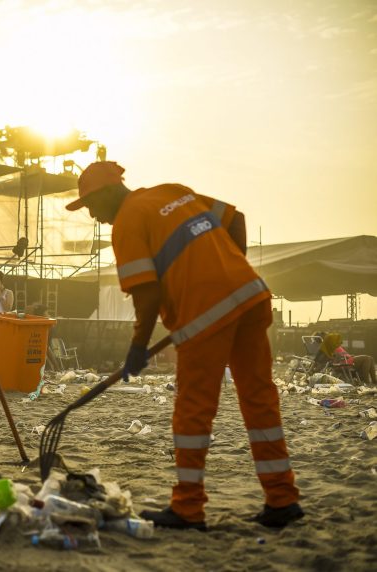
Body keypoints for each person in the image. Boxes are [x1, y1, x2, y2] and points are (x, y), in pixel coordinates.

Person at [65, 161, 302, 529]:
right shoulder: (173, 191)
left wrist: (137, 349)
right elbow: (235, 220)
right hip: (250, 296)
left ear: (108, 193)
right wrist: (226, 265)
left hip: (203, 313)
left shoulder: (127, 222)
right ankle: (283, 500)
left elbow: (147, 293)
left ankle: (188, 508)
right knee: (259, 398)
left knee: (193, 410)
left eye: (92, 207)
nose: (95, 217)